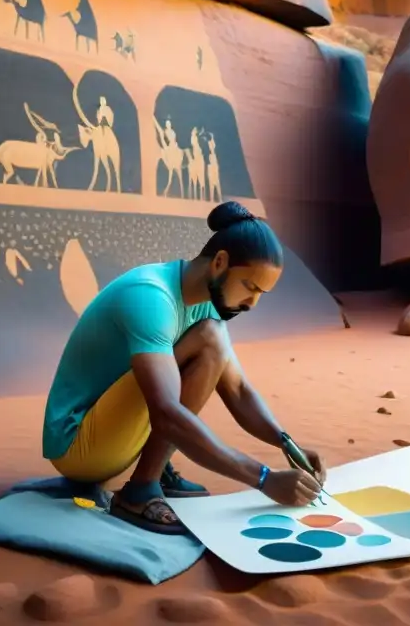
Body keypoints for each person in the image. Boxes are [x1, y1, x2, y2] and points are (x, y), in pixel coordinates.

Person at [42, 201, 325, 534]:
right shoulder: (151, 296)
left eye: (261, 292)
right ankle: (139, 490)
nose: (252, 303)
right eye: (250, 287)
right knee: (210, 339)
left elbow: (237, 390)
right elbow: (165, 411)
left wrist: (286, 444)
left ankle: (155, 467)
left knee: (211, 338)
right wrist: (264, 479)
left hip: (115, 437)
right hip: (79, 447)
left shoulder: (206, 306)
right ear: (220, 262)